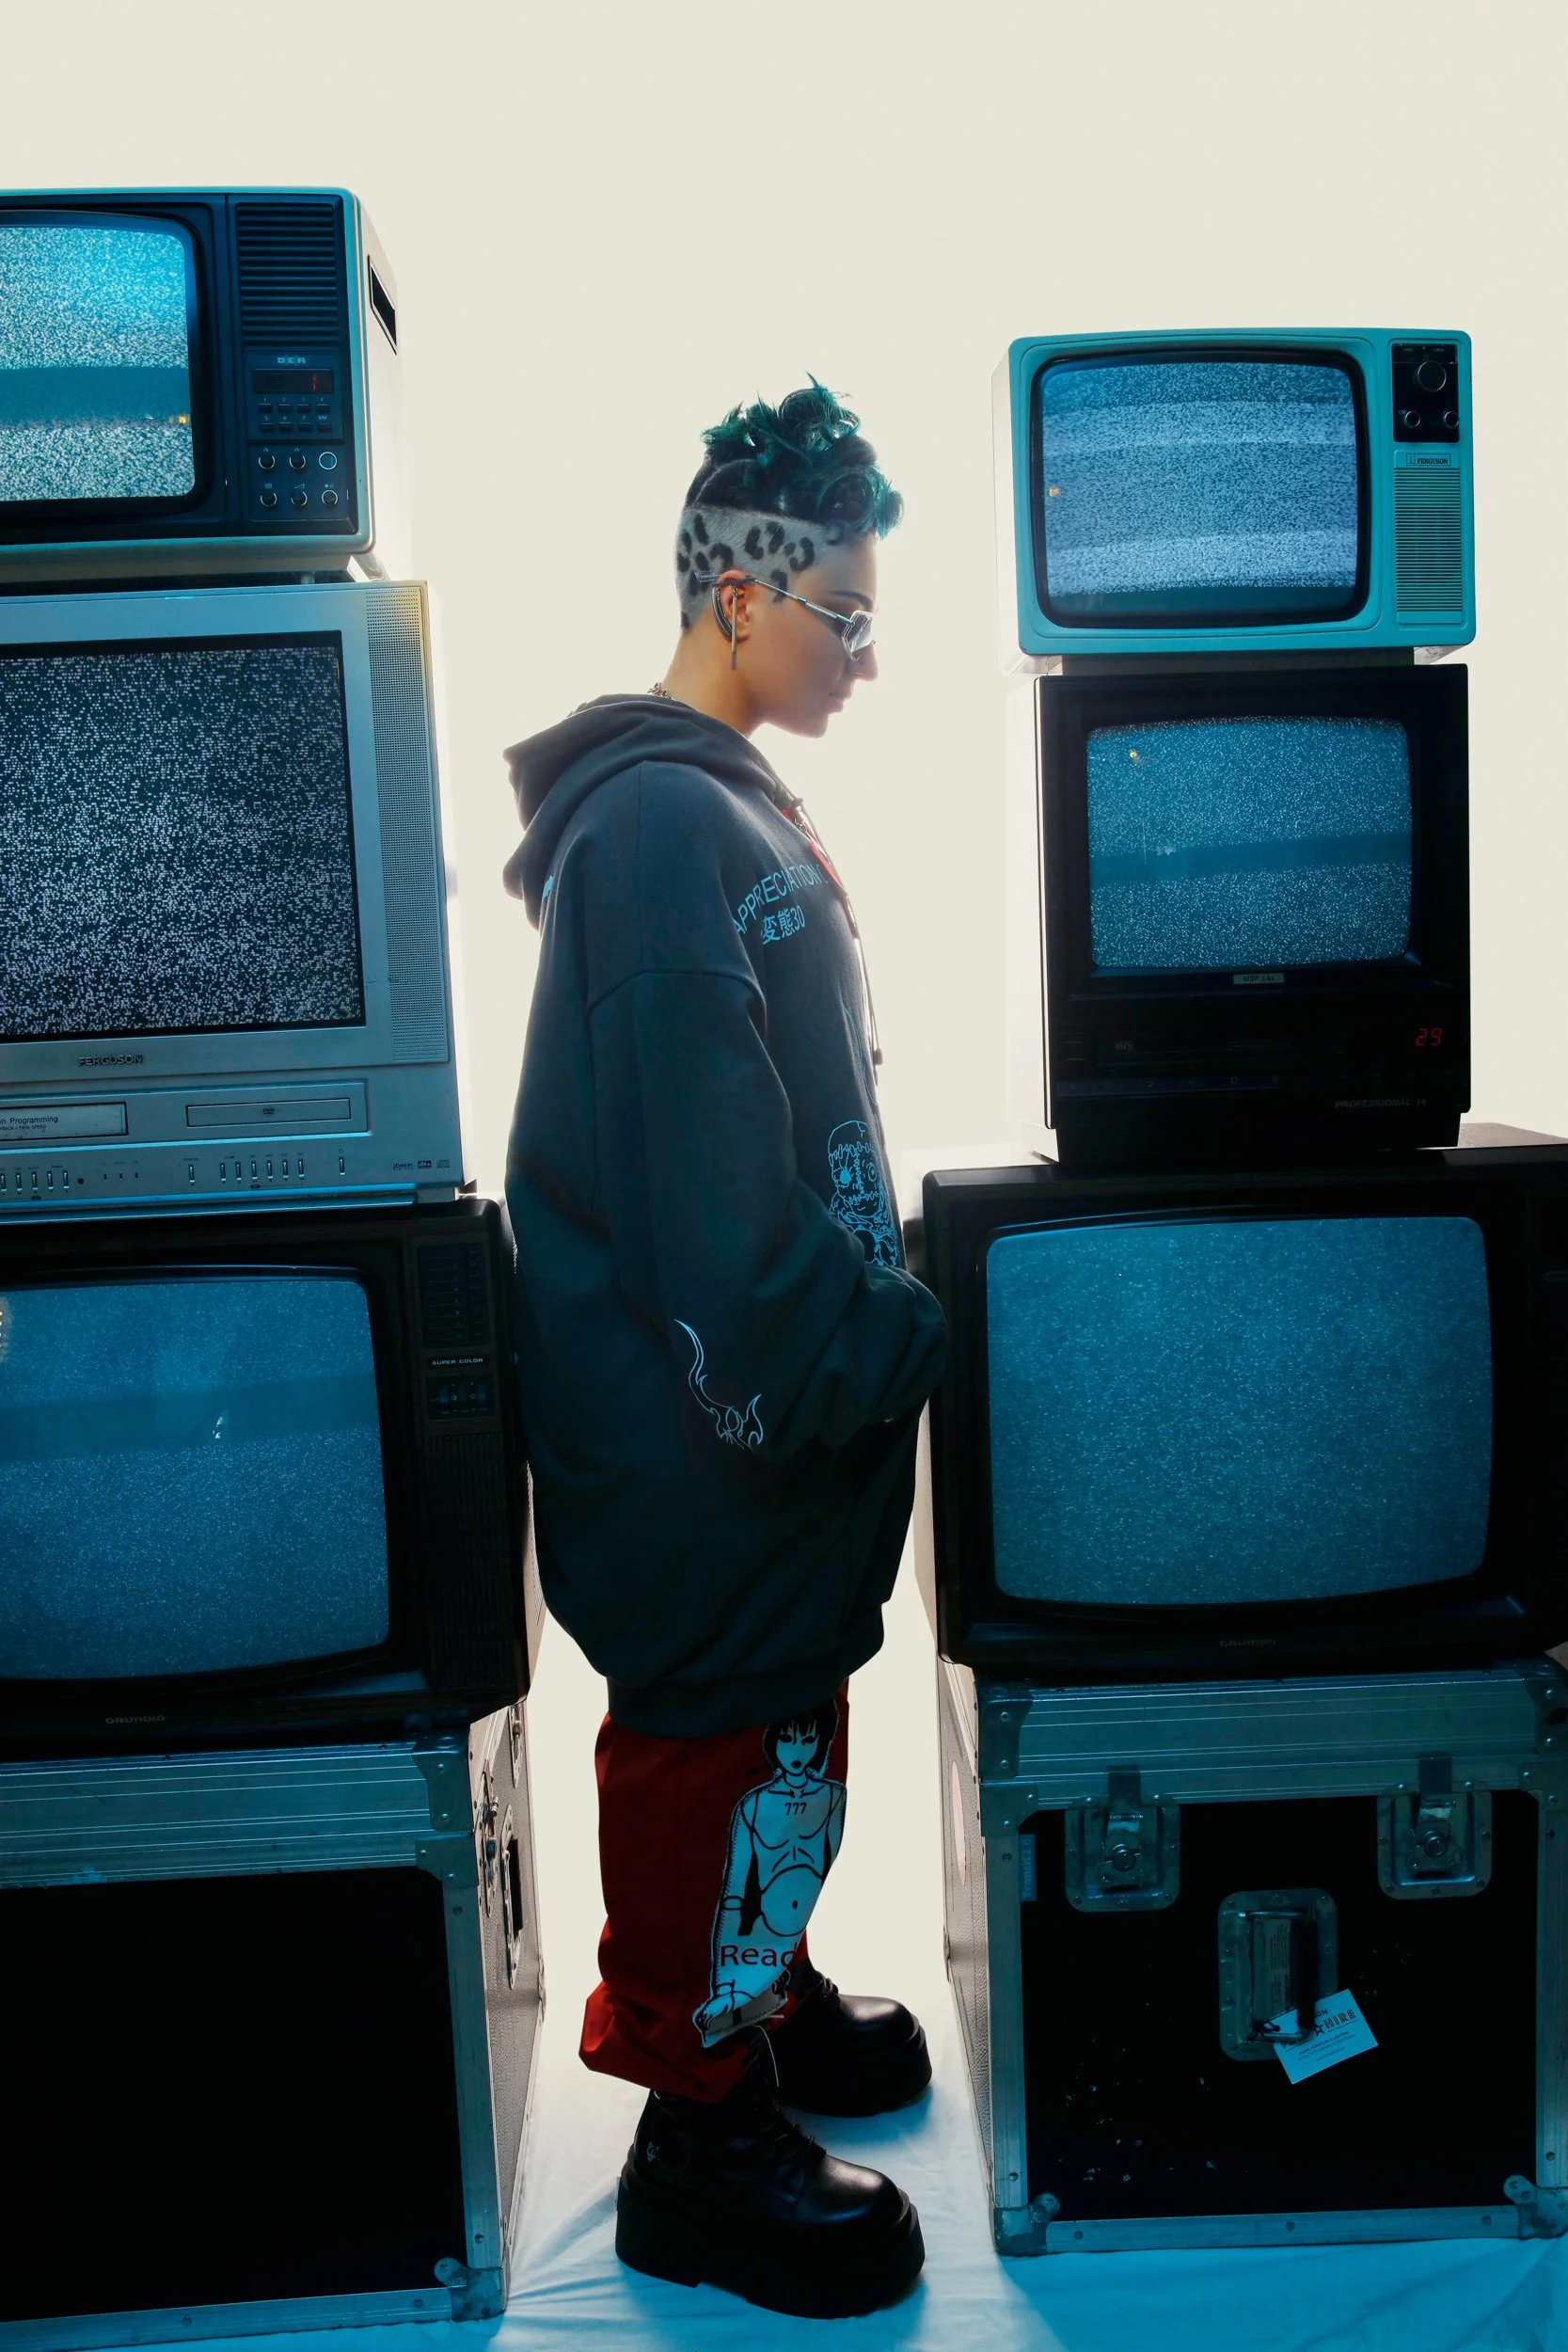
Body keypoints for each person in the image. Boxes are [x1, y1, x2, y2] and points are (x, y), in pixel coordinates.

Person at [502, 383, 948, 2320]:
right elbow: (704, 1211)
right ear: (740, 585)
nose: (863, 650)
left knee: (780, 1740)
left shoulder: (719, 805)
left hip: (760, 1444)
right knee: (711, 1756)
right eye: (844, 612)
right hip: (705, 1441)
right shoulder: (657, 834)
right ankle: (692, 2130)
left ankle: (747, 2003)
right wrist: (885, 1338)